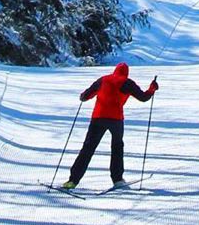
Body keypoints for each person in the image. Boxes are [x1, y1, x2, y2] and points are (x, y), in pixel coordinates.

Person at [61, 62, 158, 190]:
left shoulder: (103, 79)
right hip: (116, 119)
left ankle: (73, 180)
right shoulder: (127, 82)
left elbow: (86, 95)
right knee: (117, 147)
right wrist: (152, 88)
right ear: (126, 72)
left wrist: (83, 96)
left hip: (98, 117)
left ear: (115, 70)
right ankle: (117, 179)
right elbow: (143, 97)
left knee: (88, 148)